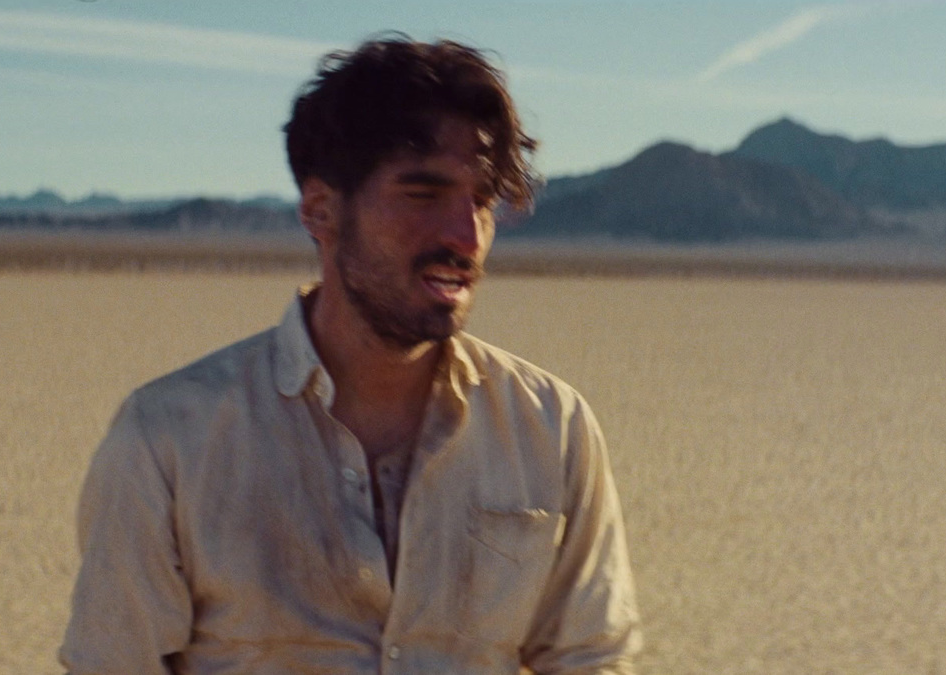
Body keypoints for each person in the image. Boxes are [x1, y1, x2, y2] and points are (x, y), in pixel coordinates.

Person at [59, 35, 641, 674]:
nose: (465, 234)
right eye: (424, 194)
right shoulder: (169, 438)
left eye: (481, 201)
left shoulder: (550, 428)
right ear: (321, 210)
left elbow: (593, 660)